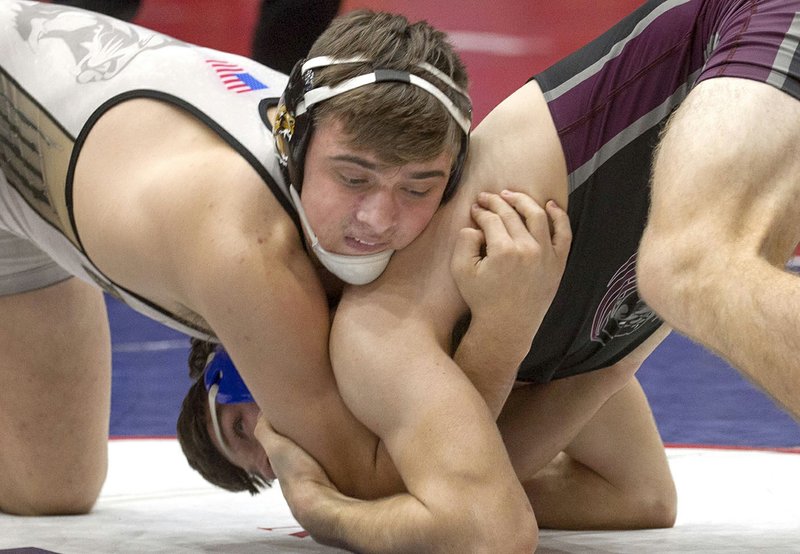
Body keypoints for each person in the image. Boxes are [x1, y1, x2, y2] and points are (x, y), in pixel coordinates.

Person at [183, 0, 799, 550]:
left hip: (753, 21)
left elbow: (481, 523)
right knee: (686, 273)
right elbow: (637, 496)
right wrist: (506, 333)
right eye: (271, 465)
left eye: (245, 422)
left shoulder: (389, 319)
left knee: (689, 269)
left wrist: (332, 509)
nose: (279, 440)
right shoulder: (523, 347)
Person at [0, 0, 496, 516]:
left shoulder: (419, 187)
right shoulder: (241, 242)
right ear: (293, 148)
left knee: (51, 492)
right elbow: (382, 485)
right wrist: (506, 324)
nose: (377, 219)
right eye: (353, 179)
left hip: (34, 174)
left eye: (417, 188)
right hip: (24, 109)